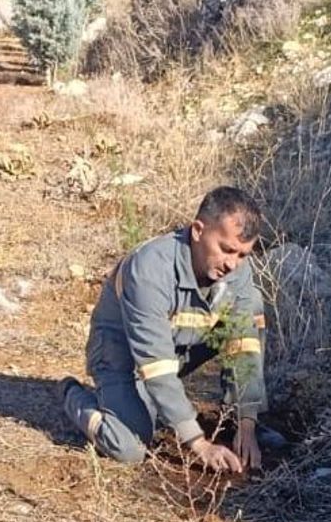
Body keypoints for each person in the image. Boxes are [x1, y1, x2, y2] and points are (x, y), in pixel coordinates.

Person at [61, 186, 284, 472]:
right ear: (198, 230)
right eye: (226, 249)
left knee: (249, 304)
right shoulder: (149, 269)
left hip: (178, 349)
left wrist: (247, 424)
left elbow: (244, 346)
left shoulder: (237, 270)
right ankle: (72, 395)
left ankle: (229, 417)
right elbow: (156, 364)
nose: (232, 264)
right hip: (123, 356)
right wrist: (199, 443)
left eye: (242, 254)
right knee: (129, 447)